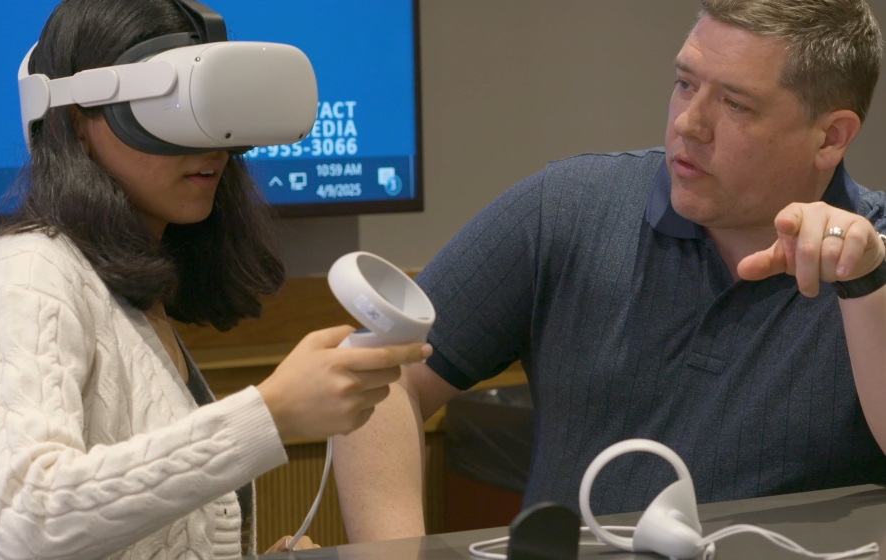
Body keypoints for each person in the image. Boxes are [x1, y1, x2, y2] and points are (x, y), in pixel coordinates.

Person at [333, 0, 886, 543]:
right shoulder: (570, 209)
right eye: (686, 83)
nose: (689, 124)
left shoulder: (874, 259)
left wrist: (865, 286)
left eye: (736, 105)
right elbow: (380, 375)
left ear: (831, 136)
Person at [0, 0, 431, 558]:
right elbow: (27, 520)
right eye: (167, 110)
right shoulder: (29, 271)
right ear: (77, 122)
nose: (208, 144)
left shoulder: (133, 297)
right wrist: (271, 412)